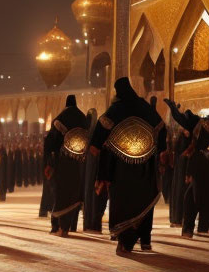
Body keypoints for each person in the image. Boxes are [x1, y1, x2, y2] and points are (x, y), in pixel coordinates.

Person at [90, 77, 167, 253]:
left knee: (122, 201)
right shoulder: (145, 107)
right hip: (144, 164)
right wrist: (161, 149)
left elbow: (99, 134)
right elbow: (162, 127)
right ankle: (145, 240)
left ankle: (124, 241)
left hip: (121, 167)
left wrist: (97, 146)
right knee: (144, 200)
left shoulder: (116, 109)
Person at [43, 95, 88, 236]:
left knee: (59, 193)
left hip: (61, 162)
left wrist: (48, 162)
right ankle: (67, 226)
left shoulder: (60, 118)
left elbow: (50, 142)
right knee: (73, 194)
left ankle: (57, 226)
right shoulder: (83, 119)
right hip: (78, 163)